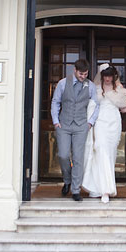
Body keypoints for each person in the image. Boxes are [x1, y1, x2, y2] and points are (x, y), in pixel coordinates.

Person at [81, 64, 126, 203]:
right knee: (100, 151)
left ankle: (105, 188)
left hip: (114, 124)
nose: (108, 79)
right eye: (106, 76)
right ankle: (103, 189)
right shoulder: (96, 89)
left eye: (110, 76)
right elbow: (90, 107)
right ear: (102, 76)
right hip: (100, 123)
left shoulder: (120, 90)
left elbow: (123, 109)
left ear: (113, 76)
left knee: (109, 155)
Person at [50, 58, 99, 201]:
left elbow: (96, 105)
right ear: (75, 70)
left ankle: (75, 190)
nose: (83, 76)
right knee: (63, 155)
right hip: (63, 125)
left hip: (81, 125)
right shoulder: (63, 83)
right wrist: (56, 121)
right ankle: (67, 180)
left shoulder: (90, 86)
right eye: (81, 74)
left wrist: (90, 123)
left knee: (78, 158)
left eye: (85, 74)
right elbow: (56, 102)